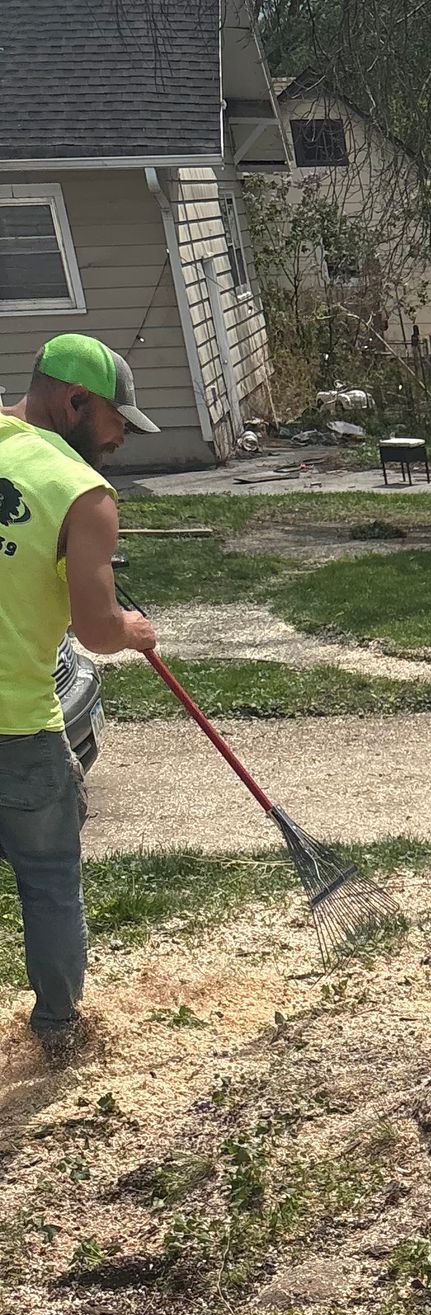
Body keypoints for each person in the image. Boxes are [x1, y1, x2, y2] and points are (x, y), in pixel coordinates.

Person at [0, 332, 159, 1065]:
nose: (121, 436)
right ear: (75, 401)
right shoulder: (84, 494)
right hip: (18, 731)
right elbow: (95, 631)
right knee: (48, 882)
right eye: (116, 420)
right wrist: (132, 629)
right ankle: (59, 1031)